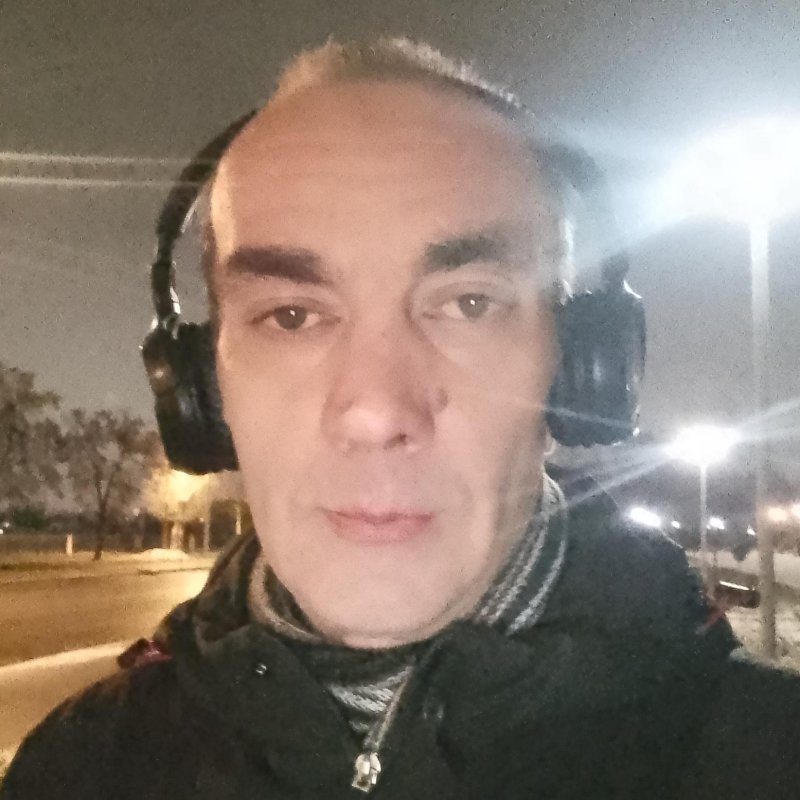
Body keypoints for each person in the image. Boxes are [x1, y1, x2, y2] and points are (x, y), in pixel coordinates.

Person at [2, 37, 799, 800]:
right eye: (290, 315)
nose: (376, 412)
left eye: (469, 304)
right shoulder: (75, 769)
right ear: (204, 389)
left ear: (581, 368)